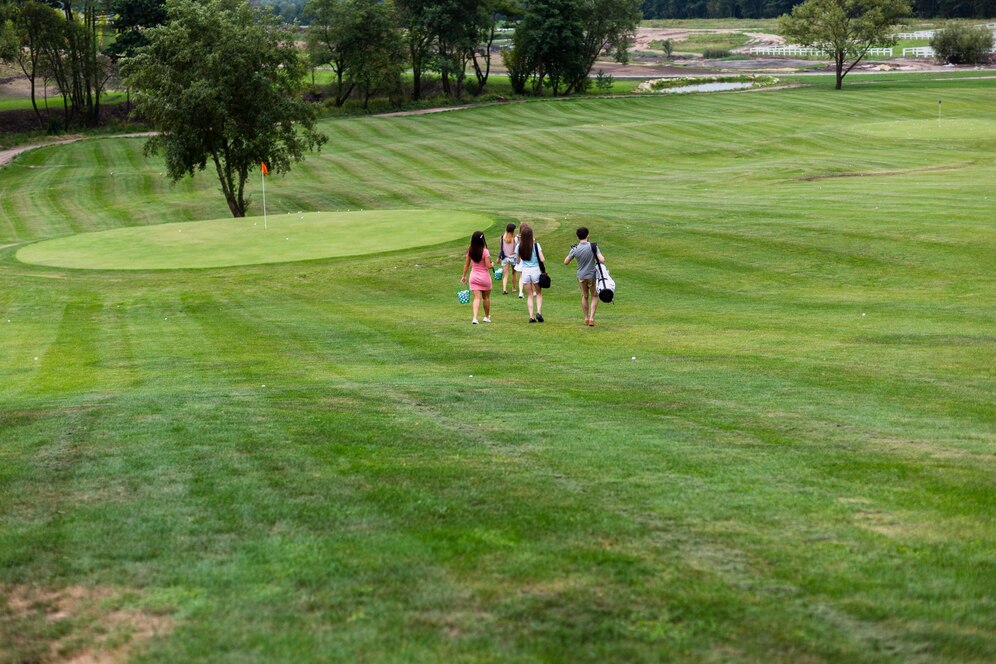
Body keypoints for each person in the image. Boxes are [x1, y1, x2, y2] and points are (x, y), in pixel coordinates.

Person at [564, 226, 605, 327]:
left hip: (581, 276)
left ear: (577, 237)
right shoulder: (593, 246)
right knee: (594, 295)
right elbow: (602, 260)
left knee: (584, 296)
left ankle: (586, 318)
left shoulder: (575, 248)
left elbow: (566, 262)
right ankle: (591, 318)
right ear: (588, 235)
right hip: (592, 275)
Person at [460, 230, 493, 324]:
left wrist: (463, 276)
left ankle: (475, 318)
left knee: (476, 298)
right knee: (486, 298)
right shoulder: (485, 251)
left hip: (474, 277)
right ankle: (487, 317)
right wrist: (492, 265)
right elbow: (488, 265)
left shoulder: (470, 251)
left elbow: (466, 265)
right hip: (485, 278)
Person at [515, 224, 545, 323]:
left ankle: (531, 316)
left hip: (525, 271)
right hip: (536, 270)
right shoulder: (536, 245)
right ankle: (539, 313)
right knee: (539, 293)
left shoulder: (519, 246)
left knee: (530, 295)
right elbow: (542, 259)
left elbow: (518, 261)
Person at [498, 223, 518, 295]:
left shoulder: (502, 238)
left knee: (505, 274)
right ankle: (513, 288)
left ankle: (504, 289)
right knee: (514, 273)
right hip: (513, 258)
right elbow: (516, 249)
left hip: (505, 258)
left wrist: (498, 258)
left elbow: (500, 249)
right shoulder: (515, 239)